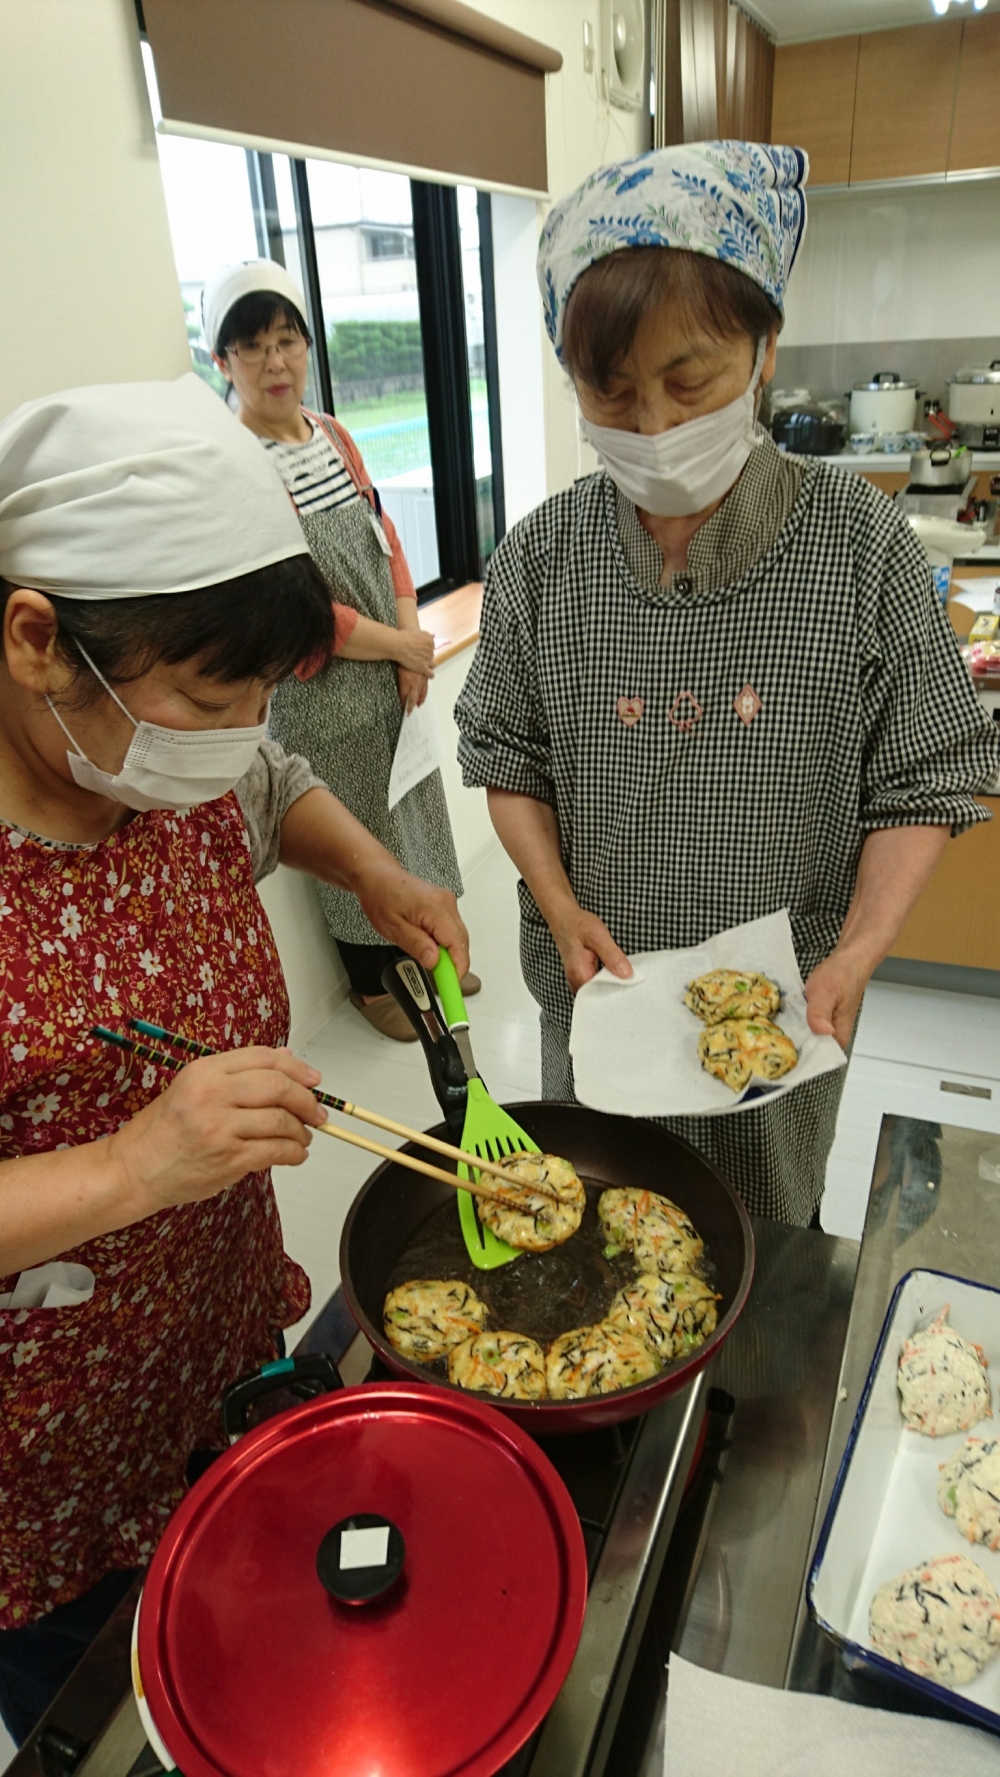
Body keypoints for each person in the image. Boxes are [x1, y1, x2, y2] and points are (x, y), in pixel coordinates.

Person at [0, 373, 469, 1744]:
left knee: (277, 1675)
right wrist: (134, 1161)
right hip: (43, 1469)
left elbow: (273, 783)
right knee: (136, 1725)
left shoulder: (160, 751)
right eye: (211, 695)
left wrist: (375, 872)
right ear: (39, 639)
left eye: (257, 693)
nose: (236, 735)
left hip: (215, 1349)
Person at [456, 140, 1000, 1226]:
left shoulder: (860, 545)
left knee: (759, 1235)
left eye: (687, 377)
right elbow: (506, 757)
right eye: (610, 390)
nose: (653, 425)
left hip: (787, 1001)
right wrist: (557, 905)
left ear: (762, 347)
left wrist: (857, 952)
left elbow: (924, 779)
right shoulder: (540, 557)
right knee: (605, 1223)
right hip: (596, 989)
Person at [202, 259, 478, 1043]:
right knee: (352, 827)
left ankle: (431, 955)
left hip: (387, 671)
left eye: (288, 340)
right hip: (317, 691)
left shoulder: (332, 433)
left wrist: (404, 639)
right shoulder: (237, 463)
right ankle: (373, 987)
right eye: (252, 348)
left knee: (411, 811)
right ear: (222, 362)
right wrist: (402, 644)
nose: (276, 362)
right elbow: (295, 611)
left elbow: (382, 532)